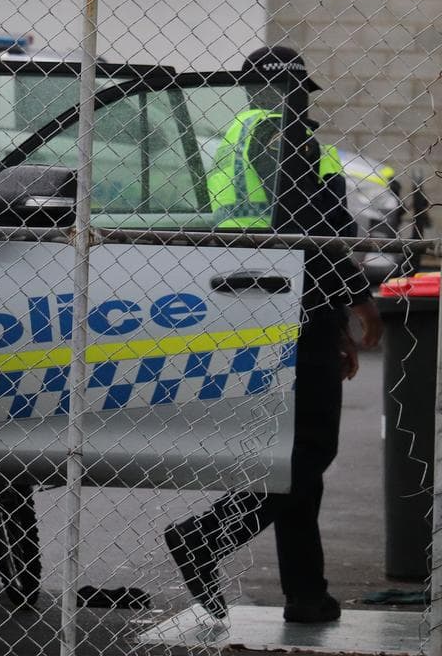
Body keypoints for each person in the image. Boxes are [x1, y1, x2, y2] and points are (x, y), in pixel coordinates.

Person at [164, 46, 384, 624]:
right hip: (296, 306)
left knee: (292, 455)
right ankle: (206, 535)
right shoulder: (290, 140)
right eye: (293, 91)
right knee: (309, 450)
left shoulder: (236, 138)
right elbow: (318, 231)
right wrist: (353, 305)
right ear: (290, 91)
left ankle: (306, 594)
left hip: (251, 303)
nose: (295, 101)